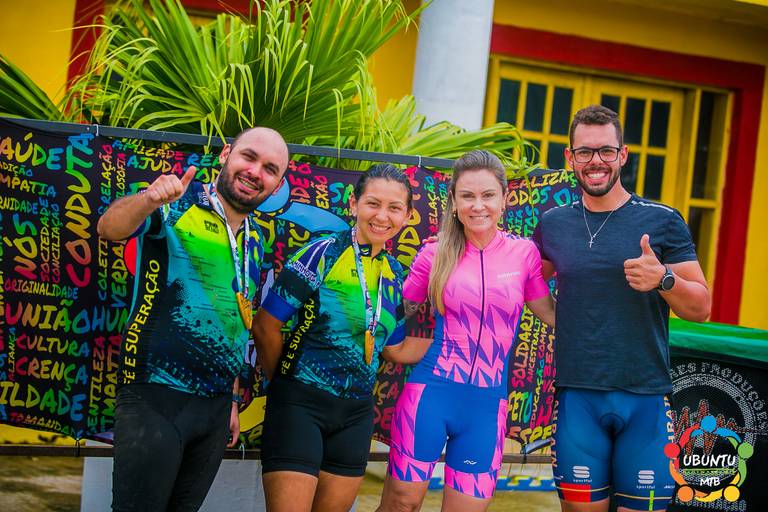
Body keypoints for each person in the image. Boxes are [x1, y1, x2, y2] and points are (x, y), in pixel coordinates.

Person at [97, 127, 290, 511]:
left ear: (277, 184)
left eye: (270, 168)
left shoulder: (255, 239)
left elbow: (235, 320)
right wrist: (148, 200)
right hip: (156, 396)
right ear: (225, 154)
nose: (255, 172)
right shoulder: (176, 204)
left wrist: (232, 399)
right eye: (248, 157)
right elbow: (109, 228)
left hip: (214, 410)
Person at [532, 105, 711, 512]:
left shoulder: (663, 221)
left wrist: (664, 278)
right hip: (578, 397)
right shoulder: (553, 223)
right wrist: (557, 316)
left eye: (606, 151)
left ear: (623, 155)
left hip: (645, 399)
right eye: (584, 152)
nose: (595, 161)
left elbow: (700, 307)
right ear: (570, 157)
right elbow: (527, 280)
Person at [378, 150, 556, 512]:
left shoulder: (524, 255)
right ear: (454, 202)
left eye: (488, 195)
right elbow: (395, 313)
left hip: (486, 407)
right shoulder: (434, 254)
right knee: (401, 505)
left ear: (504, 199)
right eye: (467, 196)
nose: (478, 206)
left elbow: (552, 314)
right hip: (430, 396)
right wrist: (393, 347)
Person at [251, 164, 415, 512]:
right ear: (354, 204)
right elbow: (265, 325)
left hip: (356, 415)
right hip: (300, 405)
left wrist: (455, 347)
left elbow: (394, 348)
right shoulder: (322, 253)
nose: (382, 216)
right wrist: (285, 385)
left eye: (394, 208)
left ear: (407, 215)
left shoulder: (394, 274)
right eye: (373, 203)